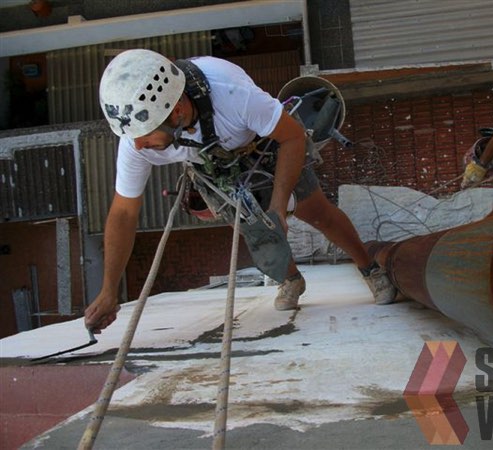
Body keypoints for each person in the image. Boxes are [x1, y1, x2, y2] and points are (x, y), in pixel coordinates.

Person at [85, 49, 396, 333]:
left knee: (315, 212)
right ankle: (291, 279)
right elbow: (123, 212)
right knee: (254, 228)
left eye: (145, 136)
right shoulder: (135, 137)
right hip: (213, 164)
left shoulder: (231, 93)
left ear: (177, 111)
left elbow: (292, 137)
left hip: (264, 145)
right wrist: (109, 289)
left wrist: (278, 207)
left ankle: (368, 267)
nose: (138, 145)